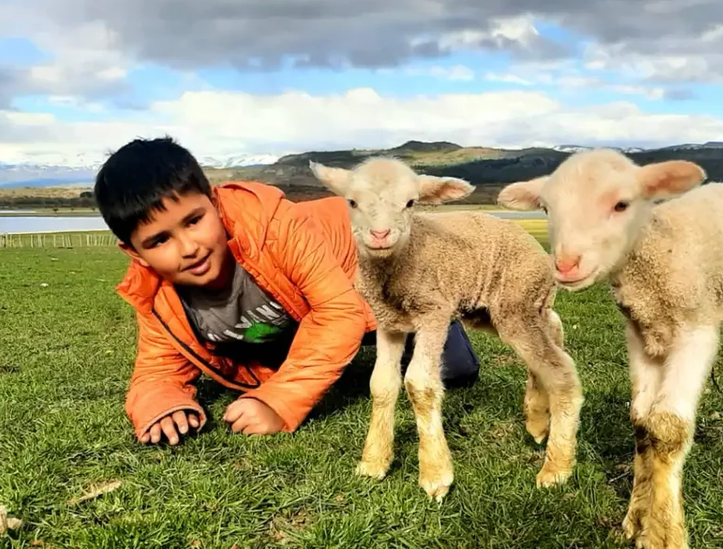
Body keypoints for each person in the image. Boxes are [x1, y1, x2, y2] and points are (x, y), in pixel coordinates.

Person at [93, 136, 481, 443]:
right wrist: (164, 406)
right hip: (297, 321)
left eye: (194, 221)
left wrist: (279, 401)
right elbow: (159, 368)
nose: (189, 247)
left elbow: (338, 312)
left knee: (454, 368)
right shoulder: (155, 290)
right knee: (302, 358)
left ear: (214, 202)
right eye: (160, 240)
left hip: (362, 274)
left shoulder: (272, 225)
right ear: (135, 253)